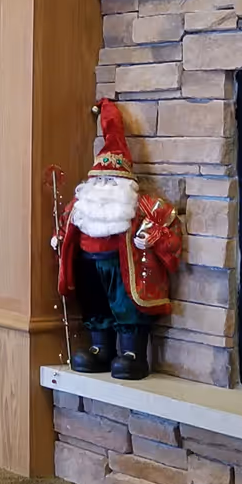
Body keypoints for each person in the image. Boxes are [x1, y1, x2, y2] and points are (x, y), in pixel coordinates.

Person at [51, 100, 182, 379]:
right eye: (101, 181)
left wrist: (154, 237)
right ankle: (100, 348)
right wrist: (58, 240)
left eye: (112, 181)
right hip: (88, 265)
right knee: (94, 304)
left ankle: (132, 353)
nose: (105, 187)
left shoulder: (142, 206)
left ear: (125, 183)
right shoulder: (80, 205)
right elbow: (66, 225)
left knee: (126, 306)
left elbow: (170, 230)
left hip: (124, 267)